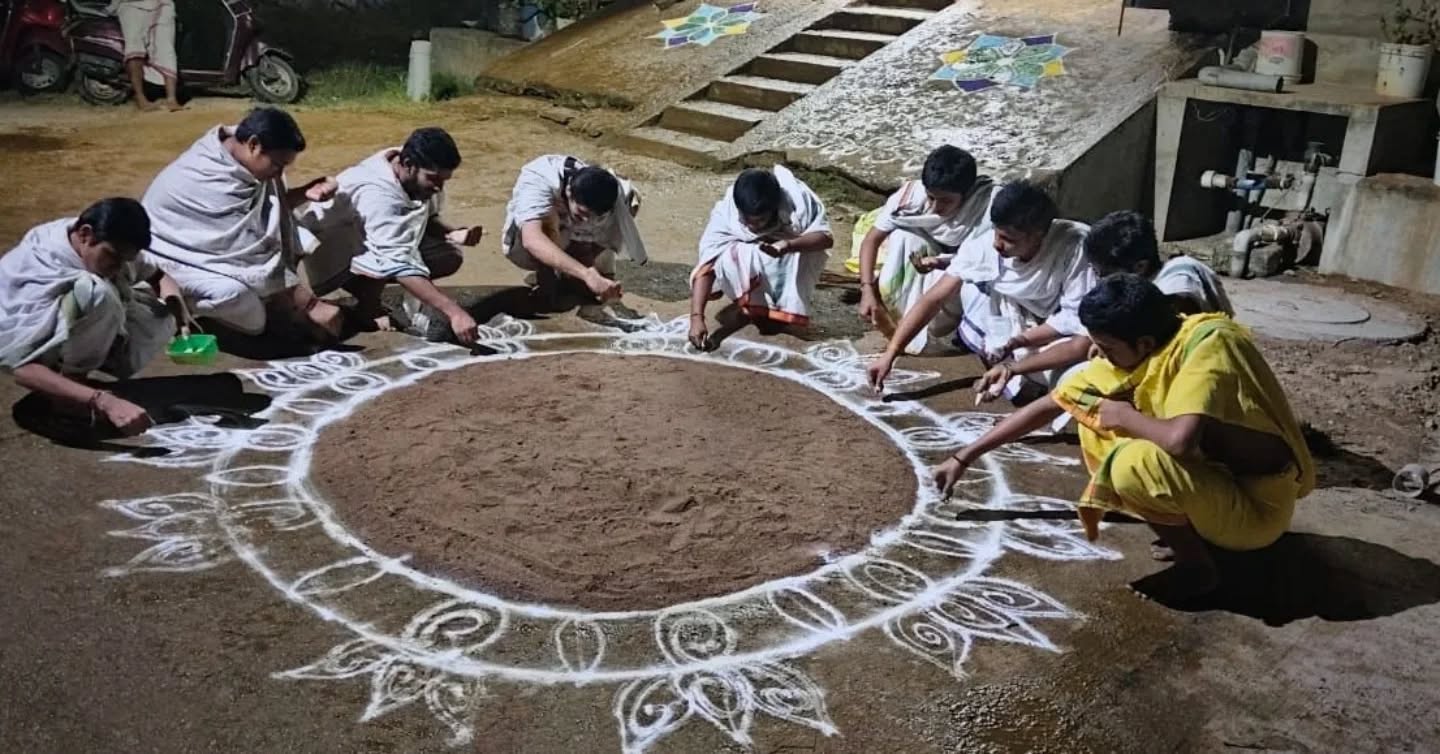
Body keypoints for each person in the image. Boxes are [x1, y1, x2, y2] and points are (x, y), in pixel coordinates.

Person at [934, 275, 1314, 600]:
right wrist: (964, 456)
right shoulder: (1132, 359)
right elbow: (1051, 405)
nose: (1098, 353)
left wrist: (1126, 416)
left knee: (1131, 461)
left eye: (1108, 346)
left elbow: (1181, 440)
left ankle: (1197, 567)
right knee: (1094, 419)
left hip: (1258, 512)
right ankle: (1195, 526)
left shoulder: (1208, 343)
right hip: (1218, 492)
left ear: (1144, 343)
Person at [867, 181, 1096, 407]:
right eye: (997, 233)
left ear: (1038, 235)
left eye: (1008, 239)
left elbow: (1078, 325)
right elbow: (934, 298)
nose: (998, 244)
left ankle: (1022, 374)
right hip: (1016, 321)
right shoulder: (985, 246)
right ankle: (1014, 372)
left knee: (1078, 376)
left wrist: (1019, 344)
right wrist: (891, 354)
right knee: (974, 292)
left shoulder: (1075, 247)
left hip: (1058, 331)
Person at [142, 107, 342, 342]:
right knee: (242, 304)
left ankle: (281, 309)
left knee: (291, 228)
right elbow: (250, 255)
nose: (279, 174)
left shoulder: (241, 153)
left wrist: (306, 192)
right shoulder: (207, 180)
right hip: (173, 261)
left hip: (214, 252)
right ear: (254, 145)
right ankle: (184, 311)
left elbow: (272, 208)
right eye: (278, 165)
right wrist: (309, 306)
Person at [0, 198, 194, 436]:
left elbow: (159, 277)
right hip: (20, 345)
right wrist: (102, 400)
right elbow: (22, 368)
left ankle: (80, 373)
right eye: (113, 256)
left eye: (126, 259)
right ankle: (67, 395)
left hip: (73, 323)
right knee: (98, 293)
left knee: (161, 312)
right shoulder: (41, 268)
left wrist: (180, 315)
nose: (119, 266)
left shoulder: (102, 241)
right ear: (85, 234)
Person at [300, 127, 482, 345]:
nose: (438, 187)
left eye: (444, 180)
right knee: (389, 258)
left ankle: (383, 295)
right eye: (433, 179)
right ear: (408, 165)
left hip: (363, 238)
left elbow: (425, 218)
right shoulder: (378, 194)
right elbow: (394, 260)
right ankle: (367, 307)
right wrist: (454, 312)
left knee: (447, 255)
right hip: (331, 251)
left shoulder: (409, 168)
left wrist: (451, 233)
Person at [855, 145, 996, 353]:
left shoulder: (987, 206)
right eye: (931, 197)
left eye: (947, 201)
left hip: (960, 272)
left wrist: (942, 262)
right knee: (903, 236)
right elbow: (872, 240)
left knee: (968, 285)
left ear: (966, 194)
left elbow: (985, 260)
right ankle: (903, 325)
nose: (936, 207)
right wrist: (867, 289)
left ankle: (956, 331)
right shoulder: (910, 197)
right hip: (930, 263)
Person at [688, 166, 833, 350]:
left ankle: (777, 308)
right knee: (730, 257)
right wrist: (696, 318)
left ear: (774, 209)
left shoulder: (799, 204)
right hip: (753, 252)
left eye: (759, 221)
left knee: (793, 258)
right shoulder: (727, 212)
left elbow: (825, 238)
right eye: (747, 220)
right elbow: (707, 264)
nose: (752, 226)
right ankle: (752, 306)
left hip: (791, 248)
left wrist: (787, 246)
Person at [501, 154, 646, 309]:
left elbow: (603, 217)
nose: (586, 221)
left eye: (592, 217)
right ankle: (549, 272)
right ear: (569, 191)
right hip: (551, 224)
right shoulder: (539, 181)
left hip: (575, 229)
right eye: (582, 214)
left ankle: (578, 262)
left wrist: (588, 265)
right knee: (543, 225)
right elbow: (532, 240)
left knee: (630, 199)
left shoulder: (615, 194)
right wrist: (587, 274)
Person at [1084, 210, 1233, 316]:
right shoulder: (1142, 283)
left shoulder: (1176, 285)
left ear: (1139, 267)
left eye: (1103, 275)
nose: (1099, 281)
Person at [112, 0, 182, 111]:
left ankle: (171, 99)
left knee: (166, 49)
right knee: (135, 49)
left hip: (163, 3)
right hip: (130, 4)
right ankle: (141, 98)